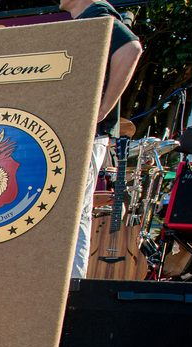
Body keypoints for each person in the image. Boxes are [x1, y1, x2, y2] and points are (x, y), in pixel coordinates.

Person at [62, 0, 142, 278]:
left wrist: (102, 110)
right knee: (70, 211)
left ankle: (73, 284)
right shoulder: (86, 20)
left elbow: (131, 48)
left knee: (74, 212)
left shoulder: (98, 16)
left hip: (85, 135)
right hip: (70, 133)